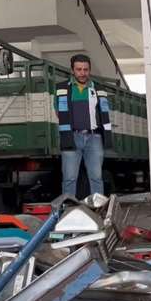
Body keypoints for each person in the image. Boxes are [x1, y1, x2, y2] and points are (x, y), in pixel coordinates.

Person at [56, 54, 113, 197]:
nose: (82, 73)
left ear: (90, 70)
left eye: (86, 69)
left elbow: (103, 113)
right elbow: (58, 112)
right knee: (69, 178)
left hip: (94, 138)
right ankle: (69, 211)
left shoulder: (99, 89)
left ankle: (98, 210)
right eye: (79, 69)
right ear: (72, 70)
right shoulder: (62, 88)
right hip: (71, 137)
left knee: (96, 177)